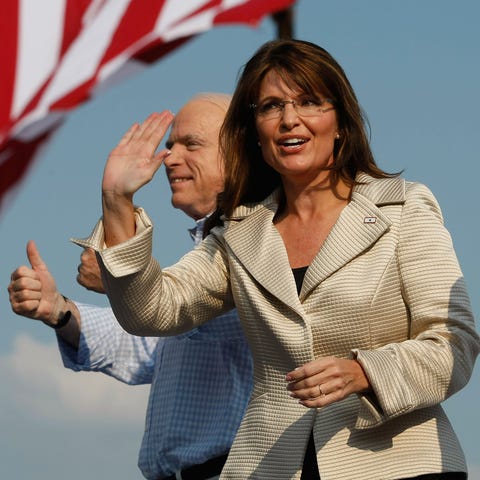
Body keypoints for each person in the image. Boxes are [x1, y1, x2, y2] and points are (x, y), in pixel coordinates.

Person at [71, 39, 479, 480]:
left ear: (340, 120)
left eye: (308, 101)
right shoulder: (239, 234)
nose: (289, 119)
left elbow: (453, 343)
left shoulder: (404, 210)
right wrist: (117, 200)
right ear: (255, 133)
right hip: (271, 465)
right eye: (270, 106)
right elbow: (152, 312)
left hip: (401, 465)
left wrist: (366, 372)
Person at [8, 93, 253, 480]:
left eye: (191, 144)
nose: (169, 158)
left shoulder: (261, 242)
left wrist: (119, 273)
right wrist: (58, 310)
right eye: (170, 145)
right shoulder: (203, 254)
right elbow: (147, 345)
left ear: (241, 153)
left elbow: (182, 311)